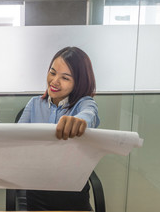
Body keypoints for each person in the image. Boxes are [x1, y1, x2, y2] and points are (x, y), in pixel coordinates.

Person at [18, 46, 100, 211]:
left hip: (72, 193)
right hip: (37, 192)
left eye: (65, 78)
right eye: (52, 72)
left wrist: (78, 122)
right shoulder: (34, 104)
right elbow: (18, 138)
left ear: (79, 82)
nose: (54, 81)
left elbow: (89, 114)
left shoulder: (83, 103)